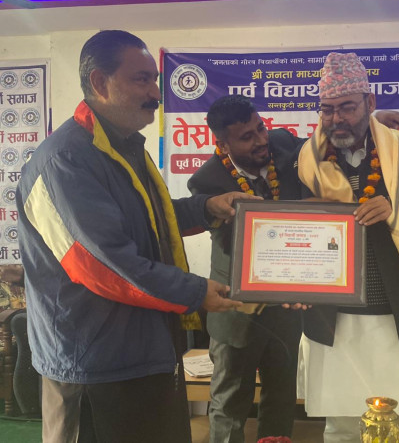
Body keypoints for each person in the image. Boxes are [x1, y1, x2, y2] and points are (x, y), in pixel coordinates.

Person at [16, 30, 244, 443]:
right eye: (141, 79)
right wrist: (196, 292)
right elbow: (103, 265)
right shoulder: (65, 160)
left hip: (145, 352)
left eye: (155, 80)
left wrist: (206, 208)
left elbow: (149, 223)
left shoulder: (121, 147)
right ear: (100, 82)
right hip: (94, 368)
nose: (155, 92)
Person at [295, 52, 399, 442]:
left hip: (397, 313)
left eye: (347, 107)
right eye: (327, 109)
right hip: (333, 317)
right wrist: (294, 282)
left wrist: (398, 208)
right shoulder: (307, 158)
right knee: (341, 425)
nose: (336, 118)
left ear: (370, 102)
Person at [187, 95, 304, 442]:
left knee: (281, 397)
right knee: (230, 403)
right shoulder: (207, 181)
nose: (261, 140)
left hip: (286, 307)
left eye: (260, 128)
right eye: (247, 137)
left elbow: (325, 143)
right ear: (223, 144)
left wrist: (377, 126)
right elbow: (227, 244)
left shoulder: (282, 143)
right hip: (234, 309)